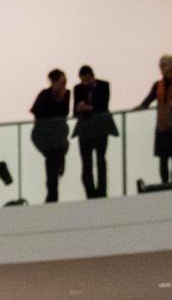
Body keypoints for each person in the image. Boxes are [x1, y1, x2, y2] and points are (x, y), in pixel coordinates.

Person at [135, 56, 172, 191]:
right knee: (163, 157)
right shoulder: (157, 84)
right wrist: (141, 106)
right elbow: (149, 99)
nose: (163, 69)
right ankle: (165, 183)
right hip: (162, 124)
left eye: (165, 65)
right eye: (162, 66)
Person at [71, 65, 116, 198]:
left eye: (87, 80)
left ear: (92, 76)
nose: (85, 83)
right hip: (85, 130)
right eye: (83, 80)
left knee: (100, 160)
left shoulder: (103, 85)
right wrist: (80, 108)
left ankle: (102, 191)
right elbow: (74, 111)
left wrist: (88, 108)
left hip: (101, 128)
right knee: (86, 163)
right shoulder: (78, 89)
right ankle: (90, 193)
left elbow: (104, 105)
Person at [30, 69, 72, 201]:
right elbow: (39, 112)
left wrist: (60, 97)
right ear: (53, 82)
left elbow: (64, 112)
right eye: (61, 82)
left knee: (52, 160)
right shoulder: (44, 94)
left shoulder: (66, 94)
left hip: (58, 136)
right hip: (44, 136)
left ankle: (52, 194)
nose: (63, 85)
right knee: (52, 158)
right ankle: (52, 193)